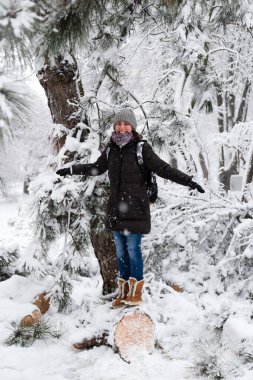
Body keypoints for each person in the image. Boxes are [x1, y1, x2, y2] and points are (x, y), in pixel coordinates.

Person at [56, 108, 204, 308]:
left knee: (133, 250)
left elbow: (163, 168)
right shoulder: (111, 148)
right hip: (116, 210)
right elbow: (97, 168)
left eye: (126, 124)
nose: (122, 127)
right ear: (115, 126)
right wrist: (71, 169)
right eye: (119, 124)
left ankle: (136, 293)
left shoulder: (141, 148)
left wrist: (189, 181)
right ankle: (123, 292)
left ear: (132, 127)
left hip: (136, 209)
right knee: (120, 252)